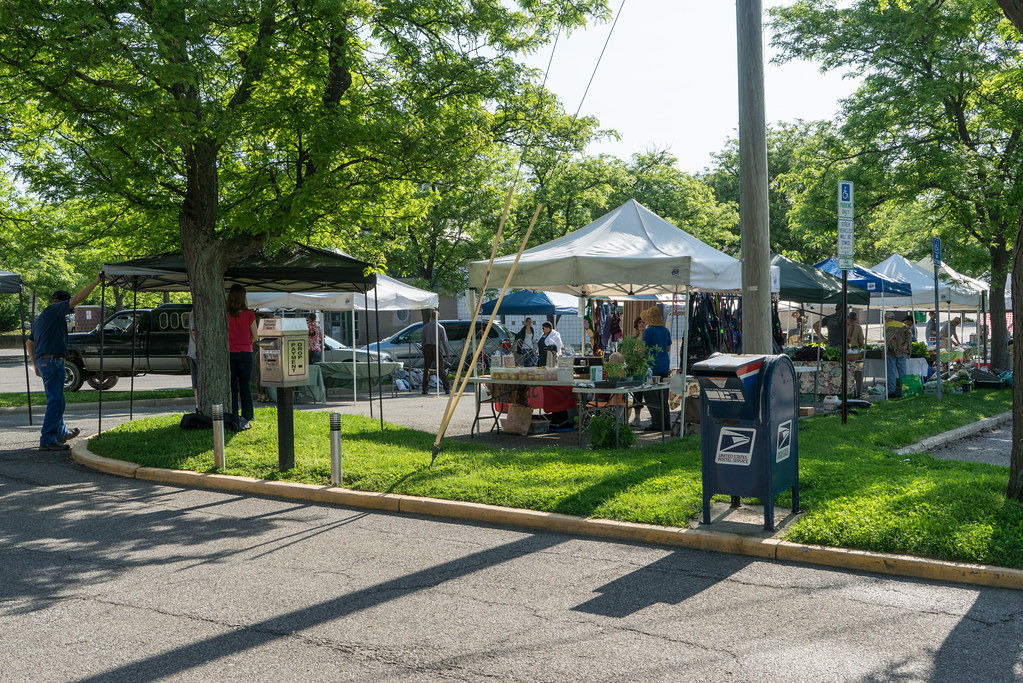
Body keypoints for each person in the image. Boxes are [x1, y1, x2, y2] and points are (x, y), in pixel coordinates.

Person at [26, 273, 103, 451]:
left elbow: (29, 342)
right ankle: (47, 439)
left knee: (57, 400)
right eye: (69, 307)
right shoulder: (56, 310)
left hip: (44, 363)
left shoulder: (42, 317)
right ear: (62, 303)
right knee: (56, 402)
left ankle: (61, 433)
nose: (70, 311)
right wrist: (96, 282)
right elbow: (76, 298)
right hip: (53, 362)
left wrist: (36, 364)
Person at [227, 284, 258, 423]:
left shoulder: (226, 314)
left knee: (232, 386)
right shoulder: (249, 314)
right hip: (246, 352)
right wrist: (247, 341)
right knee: (245, 385)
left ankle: (233, 415)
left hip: (230, 352)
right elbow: (255, 336)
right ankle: (248, 416)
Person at [640, 306, 672, 432]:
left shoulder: (648, 331)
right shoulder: (665, 330)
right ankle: (666, 423)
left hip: (652, 366)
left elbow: (643, 349)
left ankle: (657, 424)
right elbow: (668, 348)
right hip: (665, 365)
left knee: (651, 396)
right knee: (663, 397)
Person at [421, 311, 452, 395]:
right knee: (441, 369)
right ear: (438, 317)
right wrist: (448, 354)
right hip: (436, 348)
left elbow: (423, 340)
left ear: (432, 317)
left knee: (426, 368)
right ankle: (447, 388)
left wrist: (423, 350)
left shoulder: (425, 327)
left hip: (427, 348)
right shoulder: (440, 327)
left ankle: (425, 388)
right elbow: (444, 342)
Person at [885, 313, 912, 399]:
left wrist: (894, 347)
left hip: (891, 351)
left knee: (891, 372)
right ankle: (904, 390)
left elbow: (887, 339)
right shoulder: (902, 325)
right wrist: (907, 349)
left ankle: (891, 391)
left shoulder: (887, 325)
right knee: (902, 371)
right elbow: (908, 336)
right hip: (902, 351)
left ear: (886, 318)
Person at [630, 316, 647, 426]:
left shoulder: (648, 337)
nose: (641, 324)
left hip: (646, 366)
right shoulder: (634, 339)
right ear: (636, 325)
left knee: (650, 393)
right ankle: (637, 417)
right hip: (635, 367)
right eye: (639, 322)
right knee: (637, 393)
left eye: (643, 322)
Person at [187, 311, 199, 410]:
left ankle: (198, 405)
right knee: (197, 383)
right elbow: (194, 332)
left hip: (193, 352)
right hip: (196, 353)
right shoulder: (195, 314)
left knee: (197, 384)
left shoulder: (193, 314)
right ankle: (198, 405)